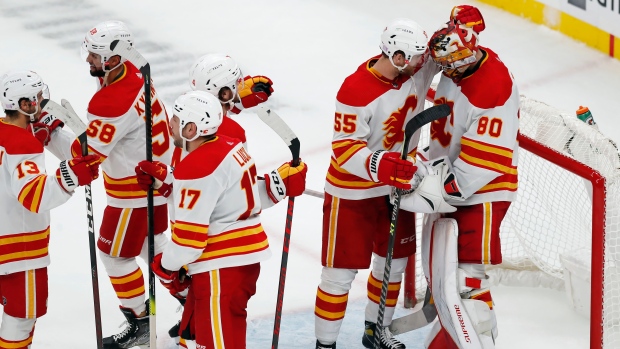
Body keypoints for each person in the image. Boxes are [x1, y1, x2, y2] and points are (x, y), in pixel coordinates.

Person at [135, 90, 306, 349]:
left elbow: (189, 243)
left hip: (221, 268)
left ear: (191, 129)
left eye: (177, 120)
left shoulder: (197, 166)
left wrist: (166, 264)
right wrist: (167, 180)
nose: (170, 123)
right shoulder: (230, 146)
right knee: (196, 337)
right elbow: (226, 197)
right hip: (237, 263)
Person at [40, 20, 173, 348]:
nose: (89, 61)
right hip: (155, 178)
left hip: (133, 192)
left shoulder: (112, 101)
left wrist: (53, 134)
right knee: (152, 248)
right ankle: (195, 301)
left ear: (115, 57)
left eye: (96, 56)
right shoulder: (135, 69)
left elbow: (87, 156)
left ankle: (141, 322)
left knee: (114, 255)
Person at [314, 18, 439, 349]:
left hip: (396, 189)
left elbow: (441, 55)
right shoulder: (355, 89)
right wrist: (382, 165)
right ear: (397, 56)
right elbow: (344, 149)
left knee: (393, 266)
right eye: (414, 57)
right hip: (352, 193)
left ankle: (375, 332)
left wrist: (456, 31)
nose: (421, 63)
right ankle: (324, 345)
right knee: (338, 276)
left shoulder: (416, 69)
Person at [422, 5, 520, 348]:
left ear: (471, 49)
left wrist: (436, 187)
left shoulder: (492, 86)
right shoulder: (458, 67)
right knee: (442, 278)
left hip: (482, 192)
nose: (447, 70)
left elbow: (485, 162)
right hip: (449, 183)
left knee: (467, 280)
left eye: (454, 62)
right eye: (445, 64)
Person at [0, 70, 100, 348]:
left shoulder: (7, 133)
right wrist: (69, 176)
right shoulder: (23, 145)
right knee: (21, 319)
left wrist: (55, 136)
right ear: (24, 104)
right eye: (38, 98)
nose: (43, 102)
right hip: (18, 251)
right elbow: (33, 195)